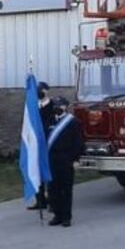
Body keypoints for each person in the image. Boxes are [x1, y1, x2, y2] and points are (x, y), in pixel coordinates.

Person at [46, 97, 84, 227]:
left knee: (65, 188)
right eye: (55, 105)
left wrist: (76, 159)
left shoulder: (73, 122)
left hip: (66, 158)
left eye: (59, 105)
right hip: (52, 158)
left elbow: (78, 143)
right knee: (53, 188)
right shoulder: (50, 121)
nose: (56, 107)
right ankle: (57, 214)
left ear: (65, 107)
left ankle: (66, 217)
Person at [27, 81, 56, 211]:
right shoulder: (34, 107)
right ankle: (40, 200)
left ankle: (52, 198)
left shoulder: (53, 106)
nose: (39, 93)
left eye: (41, 90)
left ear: (46, 91)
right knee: (36, 171)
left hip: (48, 142)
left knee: (48, 170)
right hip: (36, 143)